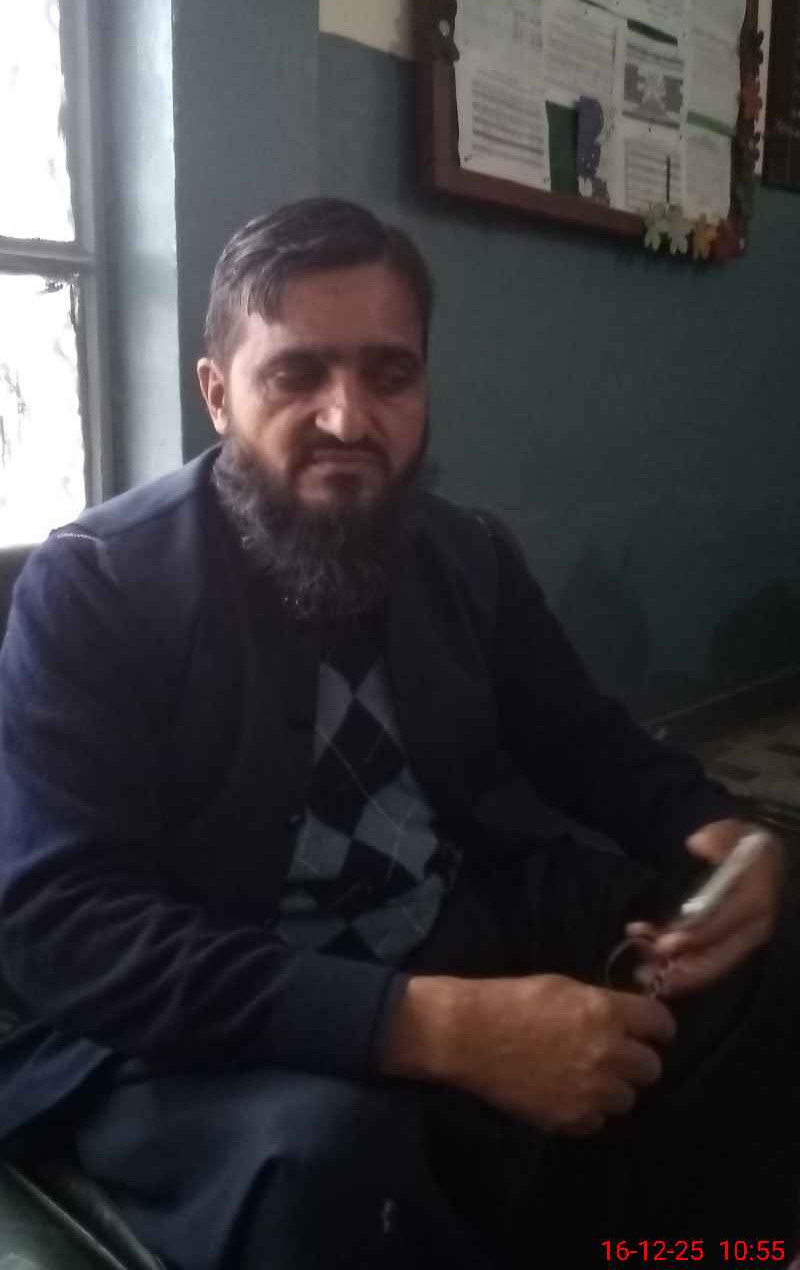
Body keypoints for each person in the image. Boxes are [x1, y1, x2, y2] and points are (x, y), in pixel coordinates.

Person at [0, 197, 797, 1270]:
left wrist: (726, 832)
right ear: (217, 393)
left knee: (765, 947)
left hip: (447, 920)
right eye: (297, 375)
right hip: (206, 1011)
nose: (349, 420)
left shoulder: (465, 554)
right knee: (330, 1166)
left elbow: (585, 741)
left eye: (389, 375)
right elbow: (63, 925)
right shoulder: (94, 587)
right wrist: (438, 1028)